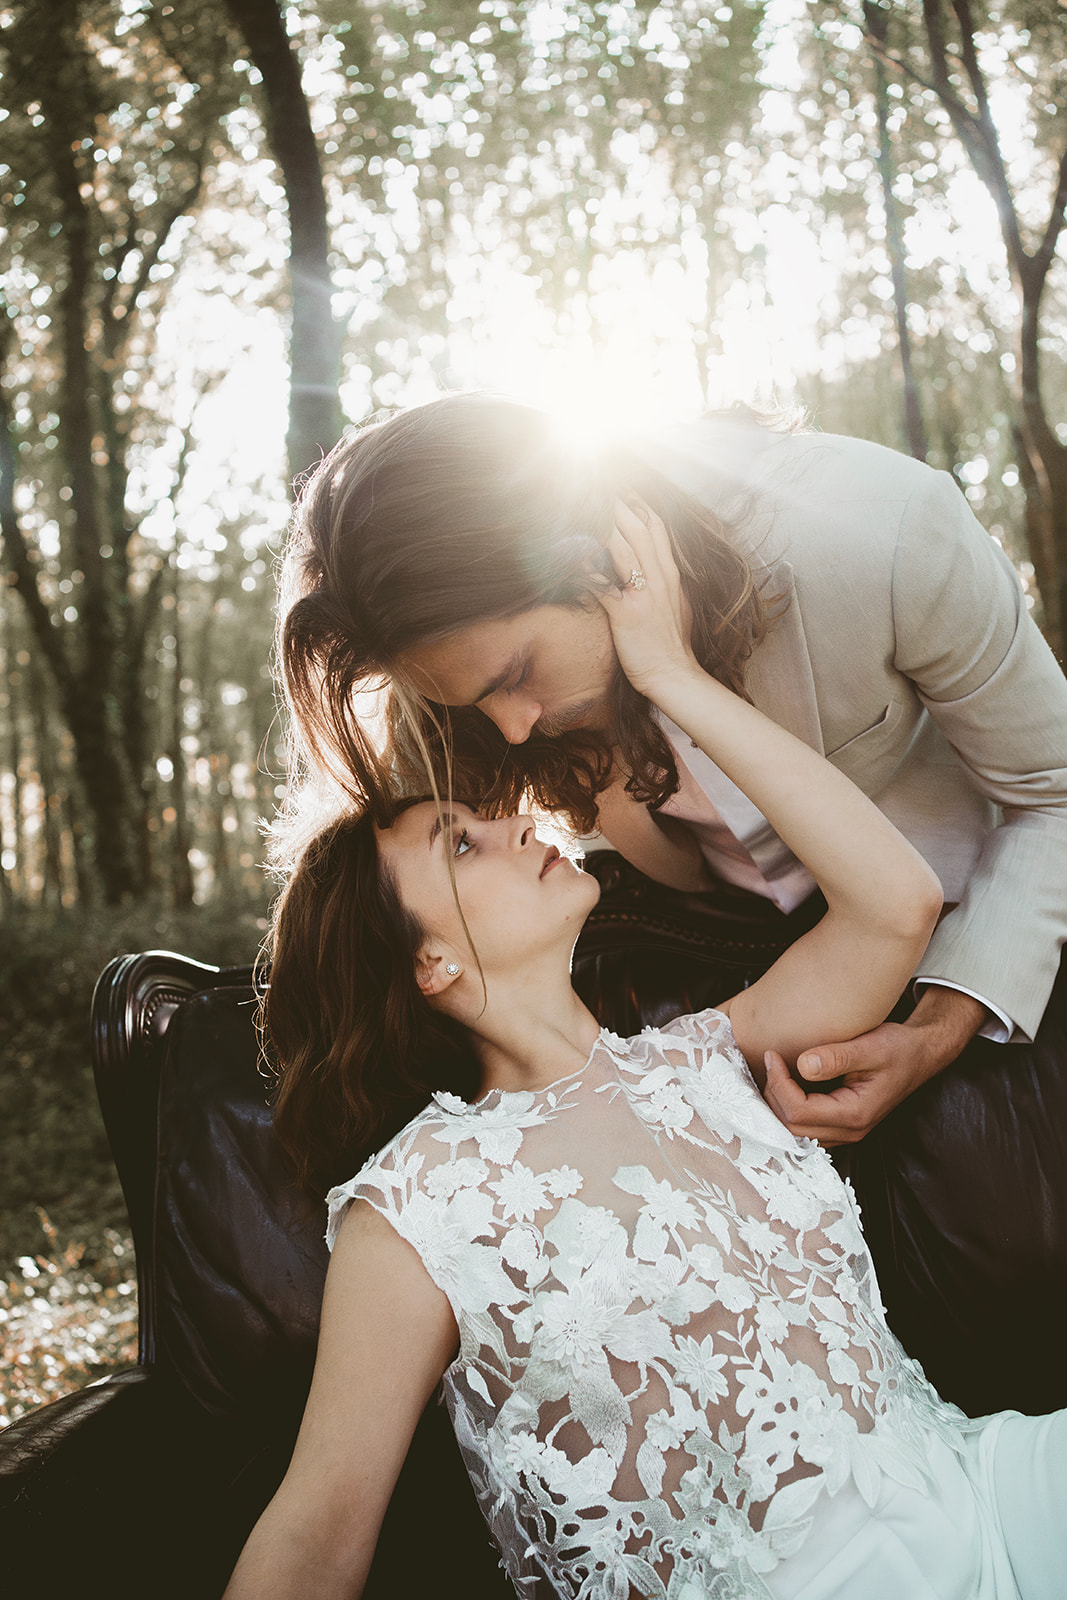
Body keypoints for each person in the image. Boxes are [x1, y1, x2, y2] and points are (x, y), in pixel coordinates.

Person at [225, 515, 1064, 1599]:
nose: (514, 824)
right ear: (427, 961)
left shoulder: (705, 1058)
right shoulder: (418, 1206)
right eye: (460, 843)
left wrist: (667, 676)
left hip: (977, 1491)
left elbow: (893, 900)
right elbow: (316, 1532)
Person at [276, 393, 1067, 1146]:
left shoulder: (881, 533)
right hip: (704, 964)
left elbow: (1053, 796)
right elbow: (377, 926)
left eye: (517, 674)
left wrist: (937, 1029)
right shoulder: (451, 668)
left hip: (970, 930)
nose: (511, 730)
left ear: (585, 560)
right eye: (478, 700)